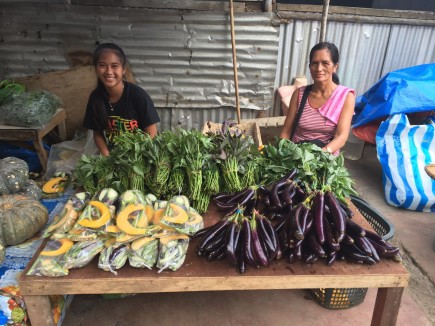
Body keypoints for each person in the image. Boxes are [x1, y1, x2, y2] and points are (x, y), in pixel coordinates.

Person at [83, 43, 160, 156]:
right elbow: (97, 134)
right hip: (114, 154)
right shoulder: (95, 98)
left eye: (114, 66)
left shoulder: (138, 96)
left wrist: (138, 159)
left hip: (141, 153)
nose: (109, 71)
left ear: (123, 69)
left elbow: (152, 133)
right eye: (103, 65)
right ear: (96, 69)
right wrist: (107, 157)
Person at [279, 42, 355, 154]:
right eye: (315, 63)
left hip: (326, 157)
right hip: (296, 155)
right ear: (310, 67)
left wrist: (319, 156)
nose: (319, 68)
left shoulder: (346, 96)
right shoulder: (299, 94)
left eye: (325, 63)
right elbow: (286, 131)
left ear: (335, 67)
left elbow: (341, 136)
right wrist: (281, 153)